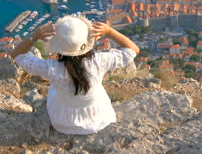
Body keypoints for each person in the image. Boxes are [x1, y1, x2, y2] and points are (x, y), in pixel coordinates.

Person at [10, 15, 139, 135]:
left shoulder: (51, 68)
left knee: (54, 88)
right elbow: (133, 49)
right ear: (86, 41)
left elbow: (17, 55)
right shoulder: (100, 61)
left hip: (64, 122)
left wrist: (35, 36)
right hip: (99, 118)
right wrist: (109, 31)